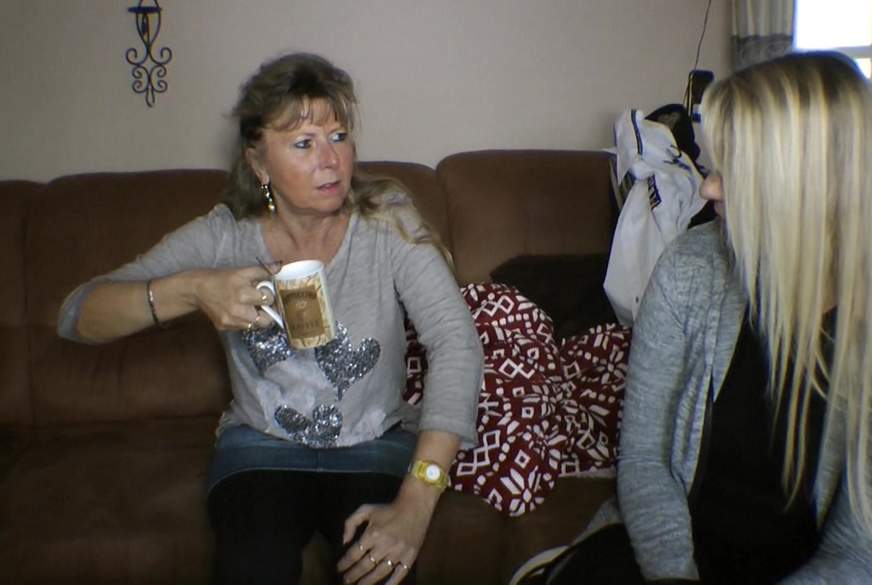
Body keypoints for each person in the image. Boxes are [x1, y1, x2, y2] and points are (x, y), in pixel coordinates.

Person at [57, 52, 483, 585]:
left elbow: (455, 341)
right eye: (304, 143)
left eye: (339, 136)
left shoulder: (387, 219)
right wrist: (191, 290)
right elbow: (77, 314)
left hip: (374, 445)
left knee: (382, 573)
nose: (331, 160)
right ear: (259, 165)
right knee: (253, 566)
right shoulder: (224, 236)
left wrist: (418, 500)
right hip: (259, 448)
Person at [539, 52, 872, 584]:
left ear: (806, 187)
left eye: (731, 171)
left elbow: (858, 550)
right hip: (661, 558)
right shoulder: (690, 267)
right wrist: (675, 574)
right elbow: (644, 458)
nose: (707, 187)